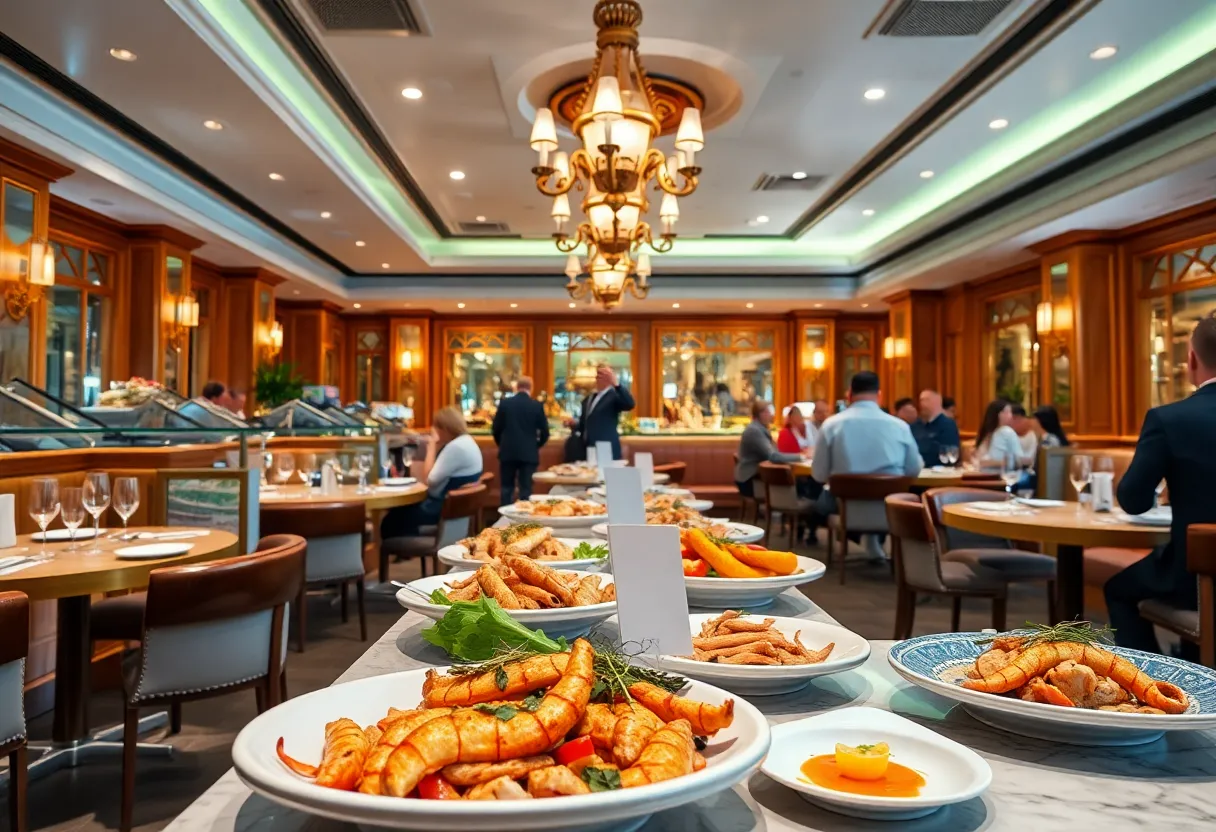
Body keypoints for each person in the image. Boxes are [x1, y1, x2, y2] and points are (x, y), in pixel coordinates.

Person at [1107, 314, 1216, 657]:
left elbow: (1133, 500)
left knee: (1118, 589)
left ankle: (1155, 683)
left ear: (1192, 359)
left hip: (1197, 579)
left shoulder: (1169, 419)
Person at [812, 371, 922, 562]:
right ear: (880, 395)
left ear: (849, 395)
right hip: (888, 509)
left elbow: (819, 474)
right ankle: (876, 543)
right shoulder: (899, 426)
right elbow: (914, 469)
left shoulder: (831, 425)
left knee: (821, 500)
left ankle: (862, 540)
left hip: (845, 506)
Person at [381, 407, 483, 539]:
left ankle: (408, 548)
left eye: (436, 427)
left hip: (440, 509)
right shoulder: (467, 442)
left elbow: (429, 480)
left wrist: (431, 447)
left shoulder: (455, 447)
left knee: (390, 519)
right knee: (398, 513)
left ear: (444, 428)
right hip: (454, 511)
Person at [492, 376, 549, 506]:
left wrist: (502, 444)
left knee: (506, 489)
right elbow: (545, 432)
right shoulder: (536, 406)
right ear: (531, 387)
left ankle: (505, 520)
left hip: (508, 452)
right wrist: (536, 446)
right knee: (526, 490)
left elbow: (496, 429)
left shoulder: (505, 404)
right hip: (529, 454)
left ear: (516, 387)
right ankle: (524, 522)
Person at [734, 400, 802, 498]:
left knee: (798, 482)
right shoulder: (754, 431)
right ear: (760, 414)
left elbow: (775, 453)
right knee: (798, 484)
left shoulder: (760, 429)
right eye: (768, 412)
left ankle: (784, 510)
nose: (771, 415)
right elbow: (773, 456)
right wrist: (800, 456)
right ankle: (786, 509)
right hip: (750, 481)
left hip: (754, 478)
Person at [577, 365, 635, 460]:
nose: (600, 377)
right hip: (587, 448)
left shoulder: (614, 396)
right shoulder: (589, 398)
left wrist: (617, 385)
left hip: (606, 447)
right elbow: (584, 424)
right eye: (598, 374)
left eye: (605, 374)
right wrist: (573, 424)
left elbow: (629, 404)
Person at [911, 389, 961, 466]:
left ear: (936, 402)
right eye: (920, 401)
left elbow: (949, 454)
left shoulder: (948, 425)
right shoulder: (915, 425)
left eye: (925, 400)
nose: (921, 404)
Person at [973, 399, 1027, 469]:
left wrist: (981, 462)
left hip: (1001, 476)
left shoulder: (1005, 432)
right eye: (1008, 412)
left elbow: (1009, 461)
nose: (1011, 416)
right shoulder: (991, 433)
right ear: (999, 415)